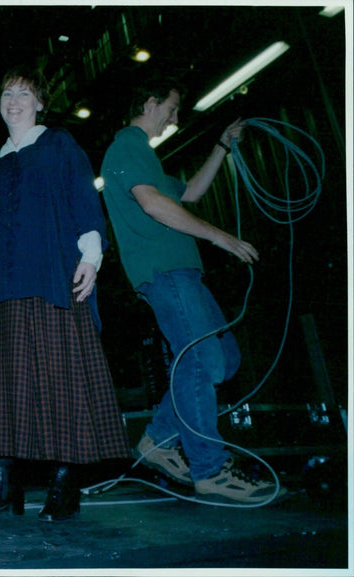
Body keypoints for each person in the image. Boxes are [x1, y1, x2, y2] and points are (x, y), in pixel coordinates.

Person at [0, 64, 129, 522]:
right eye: (6, 93)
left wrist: (90, 256)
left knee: (59, 385)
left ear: (39, 104)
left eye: (23, 94)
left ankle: (63, 484)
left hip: (51, 281)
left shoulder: (59, 145)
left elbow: (84, 204)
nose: (13, 101)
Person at [100, 76, 285, 504]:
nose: (174, 116)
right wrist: (221, 238)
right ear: (150, 102)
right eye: (172, 106)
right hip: (166, 272)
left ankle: (157, 439)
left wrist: (221, 146)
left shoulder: (147, 159)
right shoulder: (126, 147)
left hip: (184, 273)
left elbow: (191, 192)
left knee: (223, 357)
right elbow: (153, 204)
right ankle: (209, 469)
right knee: (201, 358)